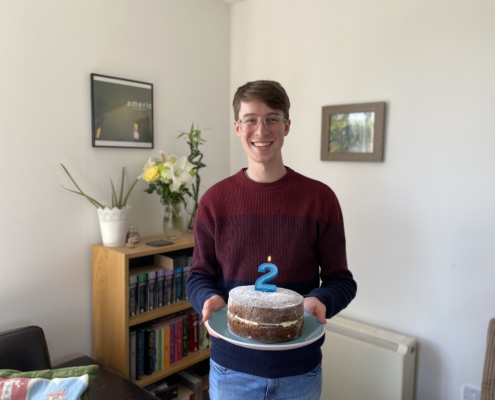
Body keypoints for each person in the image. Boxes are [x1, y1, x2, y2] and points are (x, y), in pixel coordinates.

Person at [186, 80, 357, 400]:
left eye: (272, 118)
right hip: (231, 370)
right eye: (250, 119)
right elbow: (199, 275)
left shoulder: (320, 199)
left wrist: (320, 301)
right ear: (237, 127)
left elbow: (341, 281)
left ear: (287, 125)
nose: (260, 130)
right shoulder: (214, 200)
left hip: (299, 371)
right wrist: (207, 299)